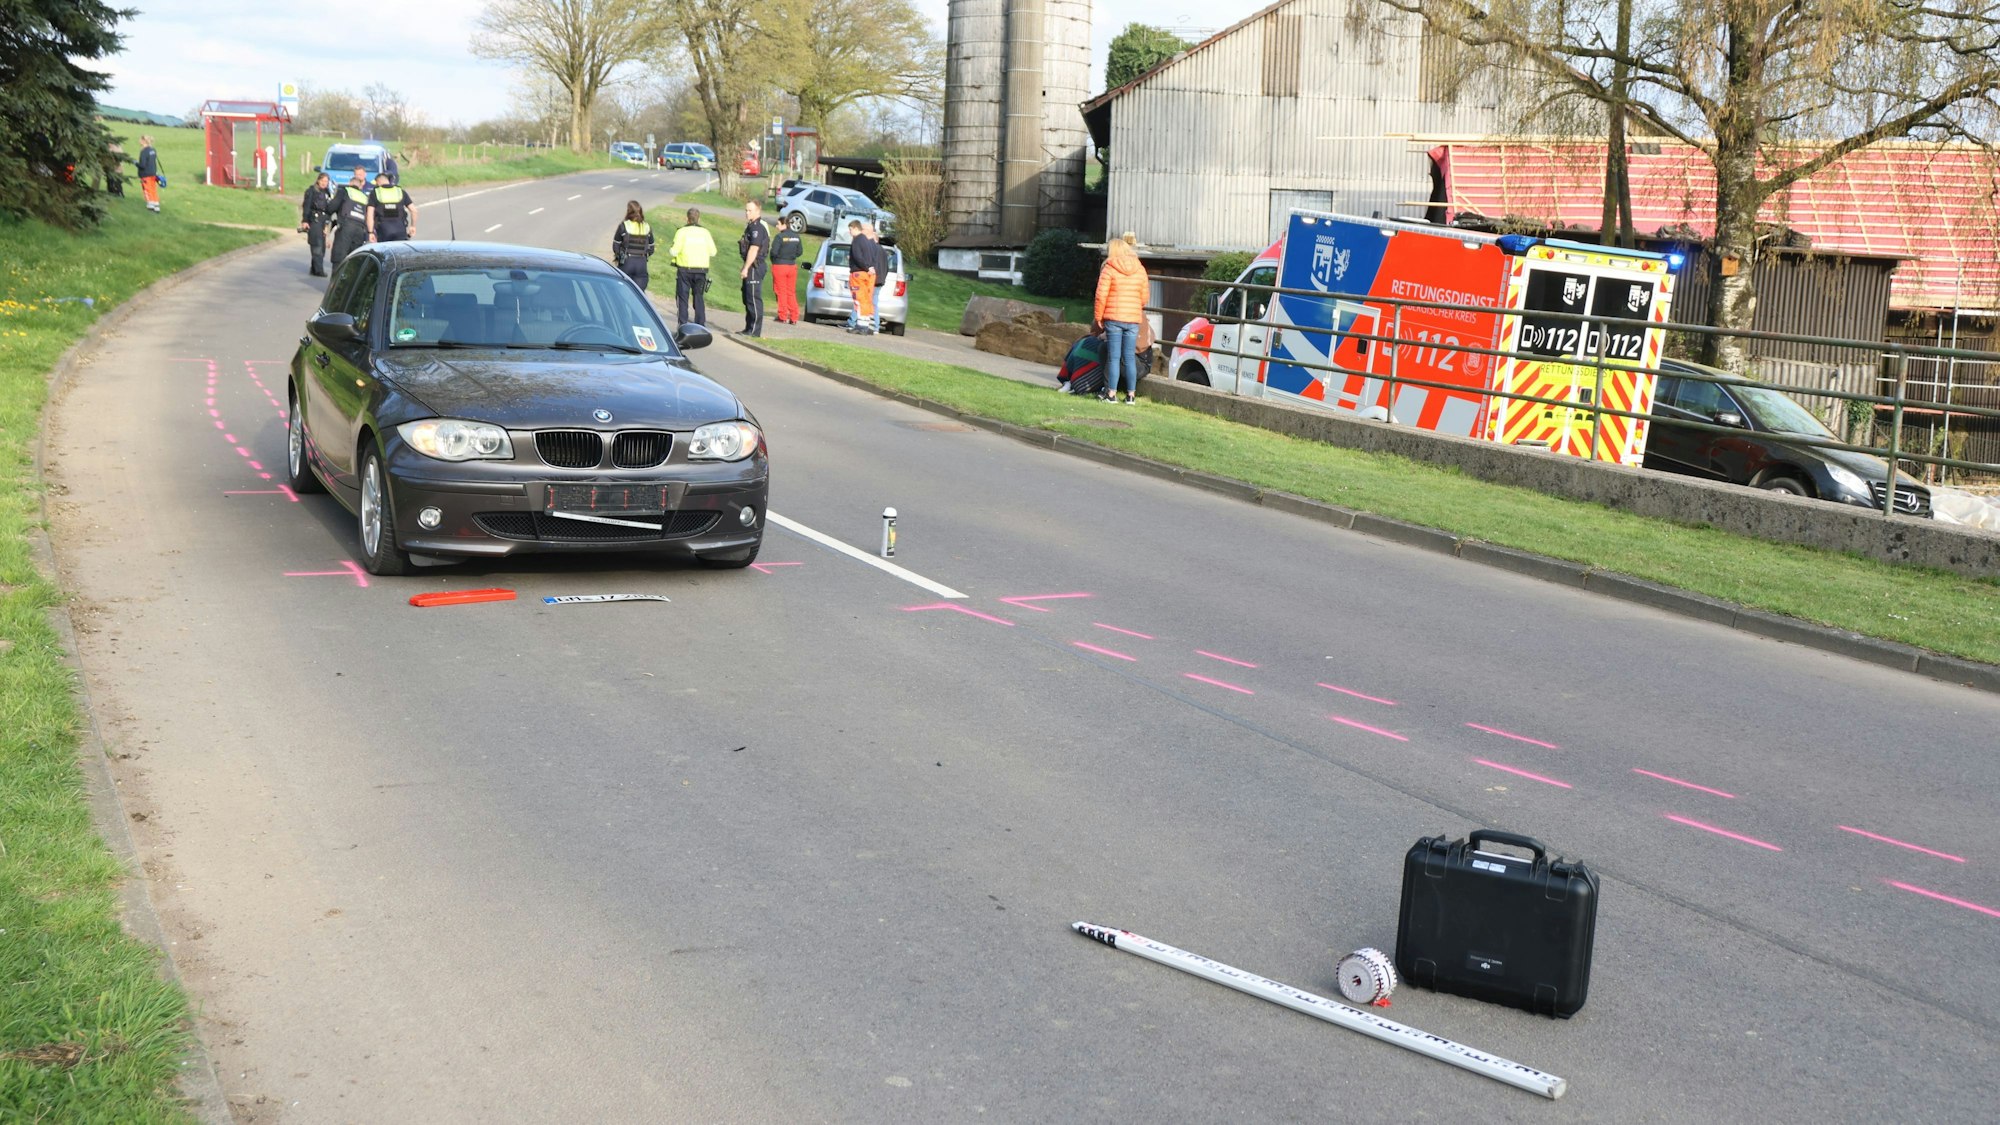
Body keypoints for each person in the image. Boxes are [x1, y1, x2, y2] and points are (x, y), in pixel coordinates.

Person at [1093, 237, 1150, 404]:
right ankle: (1131, 396)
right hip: (1132, 319)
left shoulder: (1109, 268)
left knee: (1114, 357)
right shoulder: (1140, 269)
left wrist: (1099, 317)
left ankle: (1111, 394)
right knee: (1129, 357)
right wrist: (1133, 309)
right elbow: (1144, 297)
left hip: (1114, 318)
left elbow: (1100, 296)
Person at [669, 208, 716, 327]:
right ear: (699, 218)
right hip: (701, 270)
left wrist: (671, 249)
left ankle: (683, 324)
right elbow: (713, 252)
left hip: (685, 269)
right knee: (699, 297)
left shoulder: (682, 232)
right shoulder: (705, 232)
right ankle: (700, 324)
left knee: (683, 298)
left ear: (687, 218)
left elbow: (674, 251)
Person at [738, 200, 772, 336]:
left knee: (753, 298)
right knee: (747, 298)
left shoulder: (757, 227)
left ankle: (755, 331)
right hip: (751, 265)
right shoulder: (751, 226)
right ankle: (748, 327)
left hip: (755, 266)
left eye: (750, 210)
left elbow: (754, 249)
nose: (747, 213)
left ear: (758, 211)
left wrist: (746, 268)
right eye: (746, 210)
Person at [845, 219, 883, 335]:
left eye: (850, 229)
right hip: (868, 274)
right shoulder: (867, 241)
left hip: (858, 273)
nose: (849, 232)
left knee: (859, 300)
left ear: (856, 228)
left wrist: (865, 267)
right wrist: (869, 268)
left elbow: (857, 257)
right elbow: (871, 258)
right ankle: (866, 324)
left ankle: (860, 326)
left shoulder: (857, 240)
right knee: (866, 300)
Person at [329, 168, 372, 268]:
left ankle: (336, 282)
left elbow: (333, 206)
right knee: (354, 259)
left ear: (349, 183)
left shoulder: (344, 191)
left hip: (346, 226)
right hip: (360, 230)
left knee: (339, 256)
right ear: (360, 186)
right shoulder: (364, 197)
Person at [299, 172, 338, 276]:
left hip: (323, 220)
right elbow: (306, 206)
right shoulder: (311, 191)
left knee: (322, 246)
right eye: (323, 181)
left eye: (326, 181)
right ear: (318, 180)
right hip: (314, 219)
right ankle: (318, 270)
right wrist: (305, 221)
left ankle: (314, 268)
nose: (324, 183)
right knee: (317, 244)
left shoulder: (328, 192)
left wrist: (327, 225)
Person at [611, 200, 656, 290]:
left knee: (622, 292)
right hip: (641, 263)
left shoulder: (624, 226)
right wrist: (644, 255)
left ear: (628, 211)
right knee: (638, 295)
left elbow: (616, 246)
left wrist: (620, 257)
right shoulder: (647, 227)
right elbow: (651, 248)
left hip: (627, 262)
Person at [769, 216, 804, 324]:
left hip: (780, 266)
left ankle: (782, 316)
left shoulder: (780, 237)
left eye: (778, 224)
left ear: (784, 224)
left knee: (781, 291)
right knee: (791, 292)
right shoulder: (796, 237)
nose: (776, 226)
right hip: (792, 266)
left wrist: (776, 259)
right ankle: (794, 317)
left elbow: (773, 252)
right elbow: (799, 252)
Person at [366, 173, 416, 242]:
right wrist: (413, 226)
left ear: (378, 182)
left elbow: (370, 214)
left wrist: (370, 232)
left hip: (383, 231)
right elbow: (414, 210)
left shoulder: (375, 193)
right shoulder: (400, 191)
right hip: (400, 230)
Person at [136, 135, 161, 213]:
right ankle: (156, 205)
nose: (139, 141)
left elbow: (142, 165)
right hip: (153, 172)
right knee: (153, 189)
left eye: (140, 140)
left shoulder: (143, 152)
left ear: (144, 141)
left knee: (147, 189)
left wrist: (136, 163)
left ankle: (150, 205)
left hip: (145, 174)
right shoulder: (153, 150)